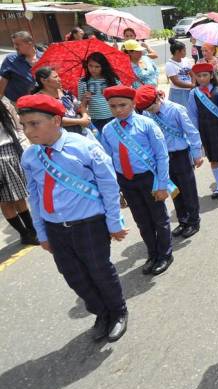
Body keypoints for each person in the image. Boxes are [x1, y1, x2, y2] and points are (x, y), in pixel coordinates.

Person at [18, 93, 128, 342]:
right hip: (55, 227)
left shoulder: (84, 147)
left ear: (56, 120)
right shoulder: (30, 156)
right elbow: (34, 198)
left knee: (99, 270)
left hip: (88, 224)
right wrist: (42, 232)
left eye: (34, 123)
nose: (28, 131)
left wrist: (114, 222)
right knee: (73, 275)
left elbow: (109, 186)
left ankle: (118, 311)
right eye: (24, 125)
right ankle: (101, 312)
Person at [101, 86, 173, 276]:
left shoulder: (146, 124)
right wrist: (115, 188)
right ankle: (152, 253)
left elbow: (162, 155)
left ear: (133, 104)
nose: (118, 110)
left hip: (149, 178)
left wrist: (162, 185)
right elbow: (108, 160)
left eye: (123, 105)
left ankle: (165, 254)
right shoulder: (108, 129)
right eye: (113, 106)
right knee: (142, 220)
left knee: (159, 218)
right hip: (126, 180)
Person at [134, 85, 203, 239]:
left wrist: (197, 153)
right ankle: (183, 220)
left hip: (180, 154)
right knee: (174, 190)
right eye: (148, 110)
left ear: (158, 98)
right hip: (162, 158)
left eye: (152, 108)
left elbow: (191, 131)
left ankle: (193, 221)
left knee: (188, 189)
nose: (151, 112)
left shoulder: (176, 109)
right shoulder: (148, 114)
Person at [187, 63, 218, 199]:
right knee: (213, 159)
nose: (202, 78)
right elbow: (192, 115)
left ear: (211, 75)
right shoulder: (193, 93)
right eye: (199, 76)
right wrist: (196, 137)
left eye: (205, 75)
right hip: (205, 131)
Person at [0, 96, 37, 245]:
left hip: (12, 150)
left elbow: (18, 128)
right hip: (2, 153)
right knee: (5, 201)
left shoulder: (4, 102)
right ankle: (24, 234)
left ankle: (31, 231)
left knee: (20, 195)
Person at [34, 67, 91, 135]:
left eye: (58, 76)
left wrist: (84, 115)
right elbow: (53, 120)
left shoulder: (64, 92)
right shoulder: (40, 99)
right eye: (55, 77)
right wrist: (80, 121)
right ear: (43, 80)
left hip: (81, 129)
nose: (59, 79)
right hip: (63, 134)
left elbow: (78, 106)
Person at [77, 51, 120, 132]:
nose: (93, 69)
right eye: (90, 66)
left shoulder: (112, 80)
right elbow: (81, 102)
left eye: (97, 67)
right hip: (95, 118)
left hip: (114, 115)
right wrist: (85, 98)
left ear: (103, 67)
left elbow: (121, 96)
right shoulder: (83, 81)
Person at [0, 31, 42, 103]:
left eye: (17, 44)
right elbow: (3, 81)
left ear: (29, 43)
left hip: (44, 101)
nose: (15, 47)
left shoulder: (44, 57)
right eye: (14, 44)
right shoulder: (10, 60)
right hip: (20, 104)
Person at [165, 38, 195, 106]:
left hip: (189, 90)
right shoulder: (169, 65)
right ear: (177, 52)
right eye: (184, 50)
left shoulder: (186, 60)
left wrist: (193, 84)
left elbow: (192, 74)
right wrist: (192, 85)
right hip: (178, 93)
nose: (185, 52)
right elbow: (176, 82)